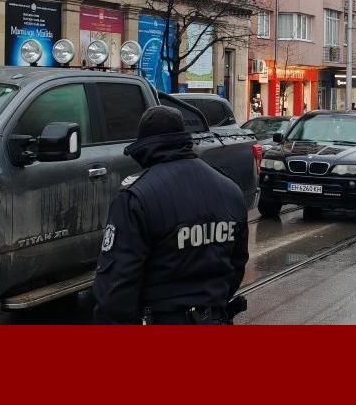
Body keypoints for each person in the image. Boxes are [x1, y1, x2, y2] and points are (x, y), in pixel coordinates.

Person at [94, 106, 250, 325]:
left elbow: (116, 285)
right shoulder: (230, 190)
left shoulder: (136, 197)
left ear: (144, 148)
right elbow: (236, 264)